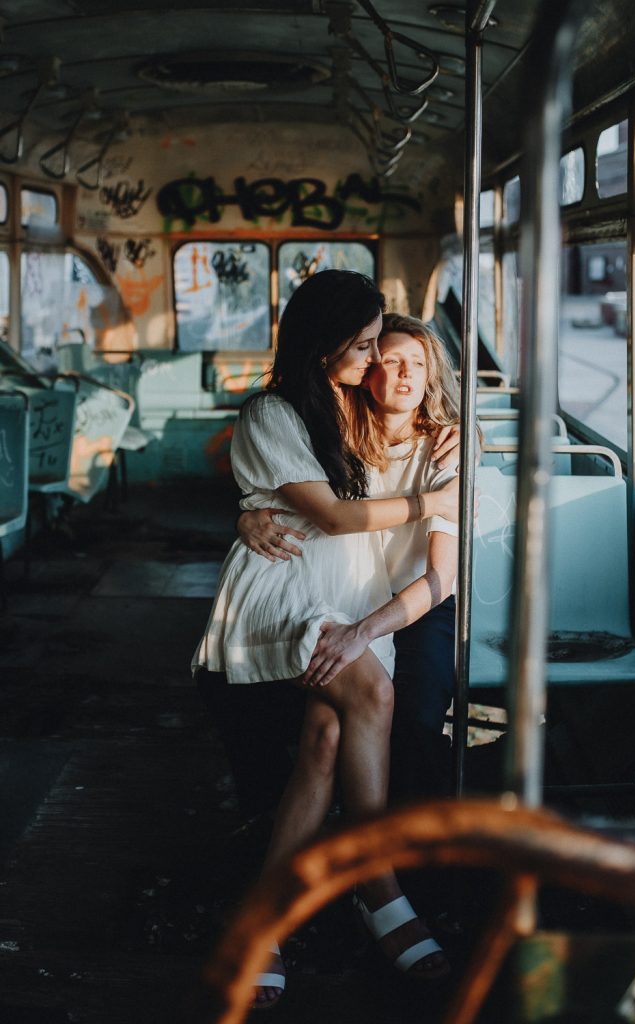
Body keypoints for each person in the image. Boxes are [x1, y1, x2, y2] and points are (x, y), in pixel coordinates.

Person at [192, 272, 458, 1009]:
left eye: (388, 350)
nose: (379, 363)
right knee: (371, 689)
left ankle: (262, 917)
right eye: (367, 346)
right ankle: (378, 883)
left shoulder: (357, 410)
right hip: (285, 592)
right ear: (326, 344)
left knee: (325, 739)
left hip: (346, 596)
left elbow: (372, 495)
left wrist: (449, 444)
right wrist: (430, 499)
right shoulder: (275, 411)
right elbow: (334, 517)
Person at [239, 313, 475, 806]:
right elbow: (289, 499)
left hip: (417, 607)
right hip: (339, 596)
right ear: (366, 371)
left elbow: (441, 578)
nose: (408, 374)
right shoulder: (334, 443)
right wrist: (243, 518)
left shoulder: (445, 452)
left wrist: (362, 633)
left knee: (413, 720)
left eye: (418, 363)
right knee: (311, 719)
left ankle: (400, 849)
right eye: (390, 360)